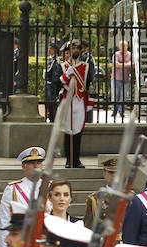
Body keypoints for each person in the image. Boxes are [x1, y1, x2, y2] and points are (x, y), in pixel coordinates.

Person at [0, 146, 43, 247]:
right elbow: (5, 219)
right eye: (32, 163)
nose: (36, 166)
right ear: (24, 166)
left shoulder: (50, 187)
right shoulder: (13, 189)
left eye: (39, 162)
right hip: (22, 242)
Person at [59, 39, 91, 168]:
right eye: (73, 48)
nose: (76, 51)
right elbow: (57, 82)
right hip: (68, 100)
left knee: (77, 131)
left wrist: (89, 102)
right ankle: (68, 160)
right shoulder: (63, 66)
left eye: (78, 48)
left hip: (80, 100)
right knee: (68, 131)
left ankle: (76, 160)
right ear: (68, 51)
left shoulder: (85, 66)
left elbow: (88, 83)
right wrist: (67, 75)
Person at [111, 40, 132, 118]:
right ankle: (114, 111)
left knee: (123, 96)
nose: (123, 47)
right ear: (119, 47)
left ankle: (121, 111)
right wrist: (127, 64)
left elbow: (132, 65)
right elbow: (116, 65)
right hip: (115, 78)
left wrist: (121, 64)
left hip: (125, 78)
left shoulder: (130, 54)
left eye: (125, 46)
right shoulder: (116, 54)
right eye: (121, 46)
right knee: (115, 95)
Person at [42, 41, 61, 122]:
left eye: (50, 49)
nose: (49, 50)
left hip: (51, 85)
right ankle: (49, 117)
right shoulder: (51, 59)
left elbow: (55, 75)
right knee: (48, 103)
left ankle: (53, 119)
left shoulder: (55, 61)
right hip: (48, 84)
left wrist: (53, 85)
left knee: (52, 104)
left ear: (54, 50)